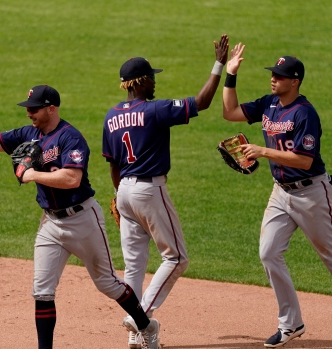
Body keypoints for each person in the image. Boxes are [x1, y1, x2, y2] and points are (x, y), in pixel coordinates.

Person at [0, 85, 160, 349]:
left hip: (83, 220)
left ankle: (147, 326)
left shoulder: (71, 138)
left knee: (108, 284)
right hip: (51, 224)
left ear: (51, 108)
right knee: (42, 291)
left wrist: (32, 174)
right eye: (28, 108)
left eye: (34, 108)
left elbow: (72, 178)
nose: (28, 113)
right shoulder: (28, 135)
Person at [221, 44, 332, 348]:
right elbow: (230, 112)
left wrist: (263, 151)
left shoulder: (305, 113)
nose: (273, 79)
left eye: (279, 76)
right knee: (268, 252)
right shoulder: (269, 104)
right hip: (281, 192)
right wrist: (231, 75)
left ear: (295, 81)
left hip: (312, 193)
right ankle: (291, 323)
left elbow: (304, 160)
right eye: (272, 75)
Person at [102, 34, 229, 348]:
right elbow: (202, 102)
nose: (155, 85)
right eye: (152, 79)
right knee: (176, 258)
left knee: (133, 265)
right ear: (141, 82)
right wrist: (219, 64)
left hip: (125, 192)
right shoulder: (154, 110)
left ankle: (137, 335)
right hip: (149, 191)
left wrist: (119, 196)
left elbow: (113, 164)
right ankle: (140, 316)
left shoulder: (111, 117)